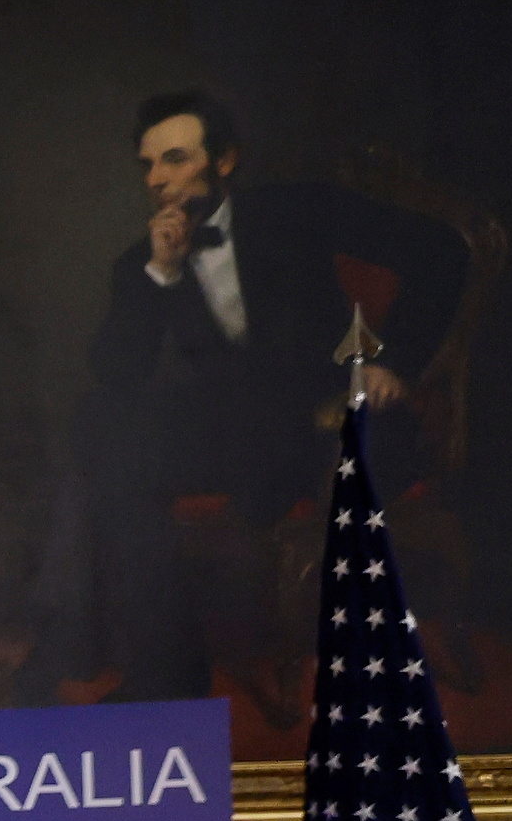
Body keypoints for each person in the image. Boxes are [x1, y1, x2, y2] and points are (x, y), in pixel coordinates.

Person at [55, 89, 471, 707]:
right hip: (240, 438)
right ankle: (165, 666)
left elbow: (441, 249)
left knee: (356, 450)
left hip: (332, 420)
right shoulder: (140, 261)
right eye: (147, 165)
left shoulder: (299, 208)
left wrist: (391, 363)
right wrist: (161, 274)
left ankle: (366, 673)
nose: (157, 179)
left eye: (174, 158)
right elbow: (116, 374)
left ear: (223, 162)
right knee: (102, 432)